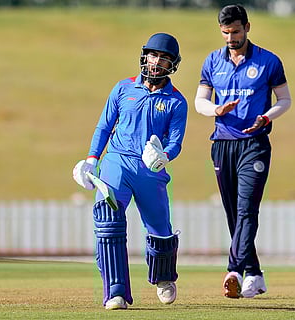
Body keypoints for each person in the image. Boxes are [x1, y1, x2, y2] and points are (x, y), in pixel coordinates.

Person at [72, 33, 187, 310]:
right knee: (108, 221)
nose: (156, 61)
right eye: (152, 55)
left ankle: (163, 277)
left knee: (160, 229)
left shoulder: (176, 101)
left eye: (164, 58)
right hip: (117, 163)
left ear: (172, 64)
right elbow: (104, 126)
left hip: (151, 170)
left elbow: (175, 141)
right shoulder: (123, 88)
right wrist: (91, 159)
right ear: (144, 56)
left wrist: (164, 156)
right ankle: (116, 292)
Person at [194, 4, 292, 299]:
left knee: (247, 209)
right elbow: (200, 101)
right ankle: (256, 275)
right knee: (233, 214)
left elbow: (284, 99)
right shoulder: (212, 61)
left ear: (247, 27)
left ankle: (234, 270)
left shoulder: (268, 61)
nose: (230, 38)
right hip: (222, 143)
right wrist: (216, 108)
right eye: (225, 32)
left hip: (255, 144)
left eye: (235, 31)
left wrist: (267, 117)